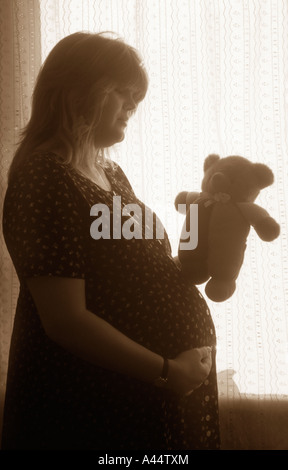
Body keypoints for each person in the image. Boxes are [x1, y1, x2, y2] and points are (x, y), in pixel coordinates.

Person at [1, 32, 220, 450]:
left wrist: (202, 220)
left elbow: (152, 269)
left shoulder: (112, 173)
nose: (134, 106)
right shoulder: (44, 178)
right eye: (124, 92)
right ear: (77, 91)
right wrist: (168, 372)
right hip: (94, 406)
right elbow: (66, 321)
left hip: (148, 395)